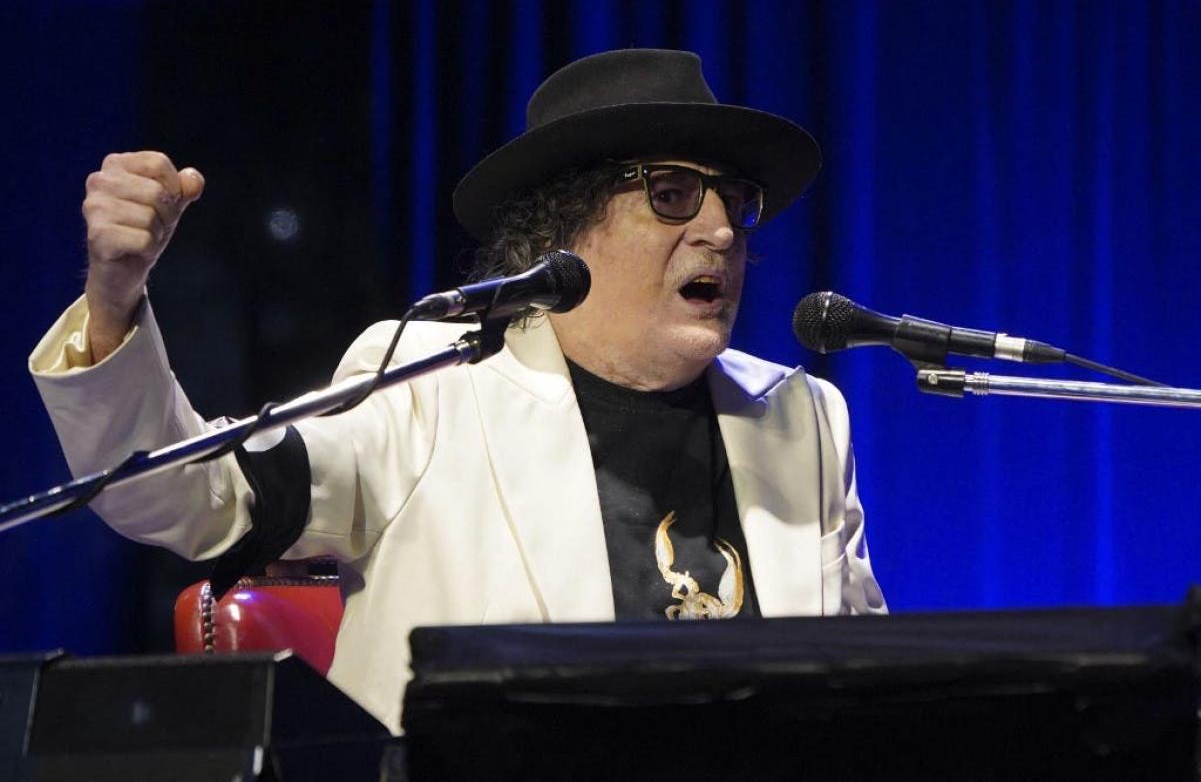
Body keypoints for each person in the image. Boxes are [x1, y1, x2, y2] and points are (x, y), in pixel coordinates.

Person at [30, 49, 885, 734]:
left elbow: (868, 690)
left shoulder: (801, 419)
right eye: (671, 195)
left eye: (734, 200)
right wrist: (115, 298)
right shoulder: (428, 388)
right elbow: (180, 494)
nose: (720, 230)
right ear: (561, 233)